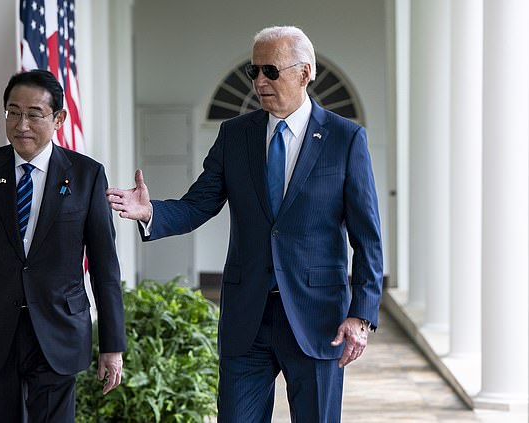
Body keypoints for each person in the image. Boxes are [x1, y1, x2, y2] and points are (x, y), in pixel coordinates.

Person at [107, 26, 382, 422]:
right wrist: (152, 212)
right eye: (253, 72)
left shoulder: (345, 138)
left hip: (318, 316)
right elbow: (199, 204)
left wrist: (361, 315)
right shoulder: (235, 135)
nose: (260, 82)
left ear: (305, 72)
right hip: (247, 317)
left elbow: (367, 237)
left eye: (271, 71)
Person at [0, 69, 126, 423]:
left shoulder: (86, 175)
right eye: (13, 112)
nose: (21, 124)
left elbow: (105, 268)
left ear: (59, 118)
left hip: (59, 329)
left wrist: (113, 345)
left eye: (33, 114)